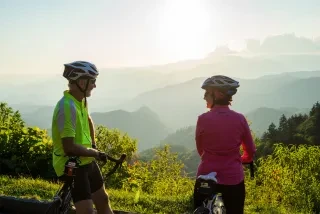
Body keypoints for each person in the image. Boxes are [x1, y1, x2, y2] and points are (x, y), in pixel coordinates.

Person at [51, 61, 114, 214]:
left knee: (103, 200)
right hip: (71, 163)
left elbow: (88, 119)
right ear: (81, 82)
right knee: (87, 211)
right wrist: (95, 153)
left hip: (86, 158)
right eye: (93, 81)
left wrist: (93, 144)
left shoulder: (81, 101)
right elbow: (69, 147)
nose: (95, 85)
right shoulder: (67, 107)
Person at [193, 75, 256, 214]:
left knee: (199, 209)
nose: (204, 97)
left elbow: (200, 148)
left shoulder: (202, 119)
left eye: (207, 93)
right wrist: (244, 159)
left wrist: (210, 158)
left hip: (206, 175)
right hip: (233, 178)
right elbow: (250, 149)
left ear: (218, 94)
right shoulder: (240, 119)